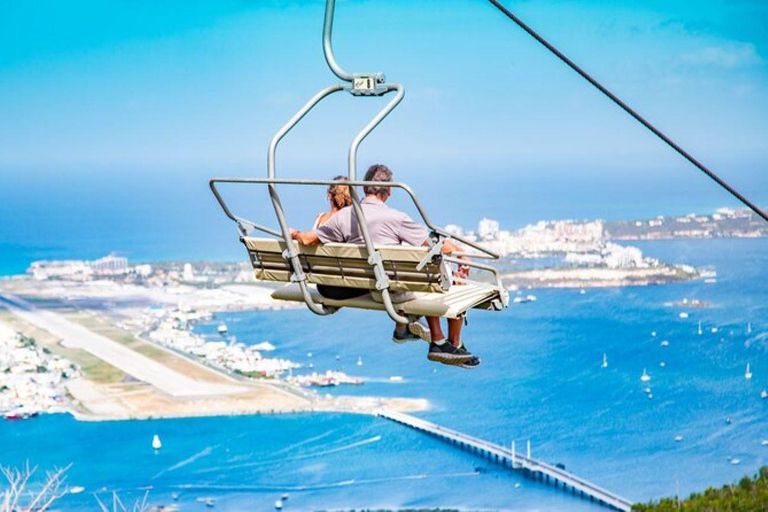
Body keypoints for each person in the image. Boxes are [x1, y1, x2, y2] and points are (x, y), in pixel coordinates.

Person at [290, 164, 480, 369]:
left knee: (423, 277)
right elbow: (435, 245)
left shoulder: (344, 216)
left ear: (364, 189)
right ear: (389, 191)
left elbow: (308, 239)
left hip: (369, 287)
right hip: (392, 292)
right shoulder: (396, 218)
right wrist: (462, 253)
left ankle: (419, 334)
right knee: (441, 280)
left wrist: (294, 233)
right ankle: (444, 342)